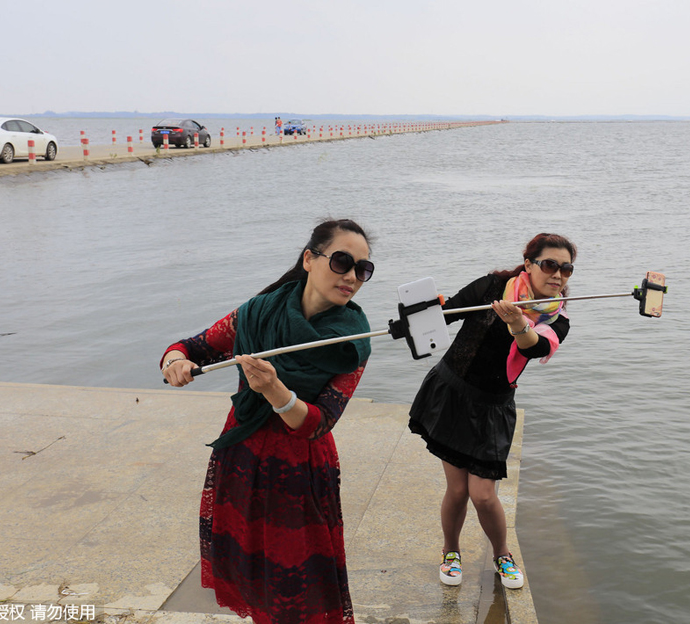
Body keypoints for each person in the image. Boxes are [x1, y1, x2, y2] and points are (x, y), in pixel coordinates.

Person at [161, 219, 375, 624]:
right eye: (342, 262)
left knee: (300, 588)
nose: (350, 277)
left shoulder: (352, 342)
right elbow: (191, 346)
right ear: (310, 259)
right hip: (240, 457)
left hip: (300, 470)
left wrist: (276, 391)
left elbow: (318, 423)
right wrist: (175, 362)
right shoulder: (257, 312)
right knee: (253, 576)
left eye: (362, 270)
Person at [408, 233, 576, 591]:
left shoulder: (557, 318)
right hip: (451, 393)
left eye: (566, 268)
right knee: (457, 491)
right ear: (529, 264)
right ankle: (451, 551)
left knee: (483, 495)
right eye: (550, 265)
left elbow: (535, 348)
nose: (558, 275)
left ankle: (502, 554)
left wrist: (517, 324)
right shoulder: (492, 287)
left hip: (493, 407)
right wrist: (407, 324)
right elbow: (445, 314)